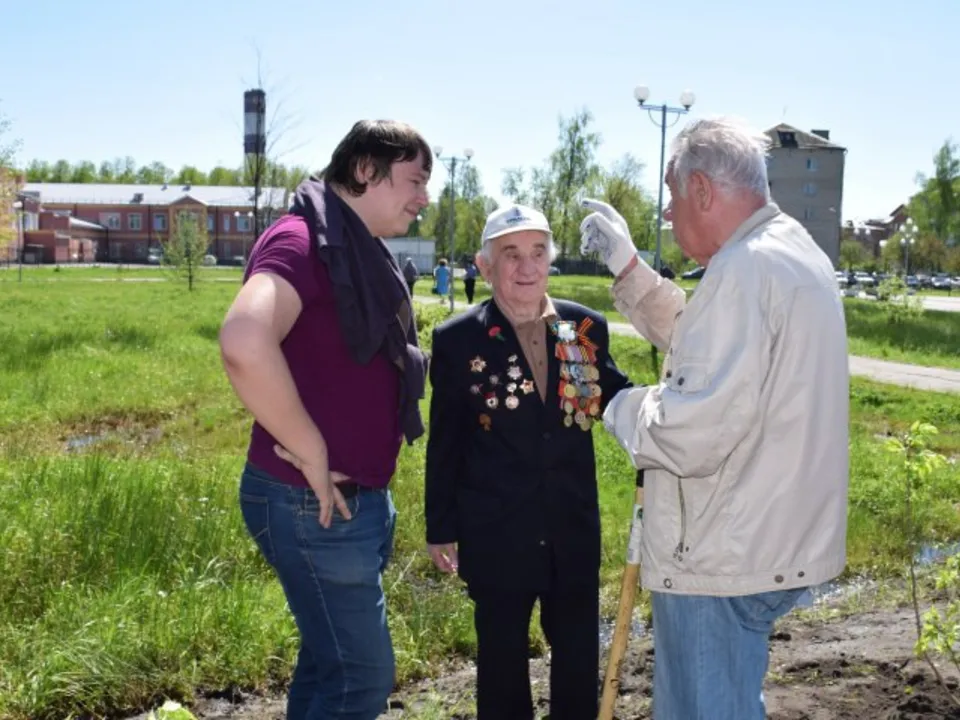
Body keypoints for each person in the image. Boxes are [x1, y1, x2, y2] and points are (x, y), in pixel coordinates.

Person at [579, 117, 850, 720]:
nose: (667, 214)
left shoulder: (743, 270)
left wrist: (615, 400)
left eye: (672, 196)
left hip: (721, 553)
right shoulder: (787, 251)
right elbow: (710, 345)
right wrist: (630, 270)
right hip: (767, 538)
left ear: (701, 189)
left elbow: (690, 433)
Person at [219, 119, 432, 720]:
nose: (424, 197)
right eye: (415, 180)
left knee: (328, 665)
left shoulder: (349, 245)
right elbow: (243, 340)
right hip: (310, 503)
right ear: (366, 170)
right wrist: (311, 447)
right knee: (362, 678)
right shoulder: (300, 242)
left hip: (343, 504)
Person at [425, 203, 632, 719]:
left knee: (578, 662)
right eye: (511, 255)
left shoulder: (582, 327)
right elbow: (445, 441)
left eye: (538, 253)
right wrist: (440, 526)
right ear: (485, 266)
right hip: (497, 533)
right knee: (501, 668)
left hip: (571, 529)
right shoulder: (459, 340)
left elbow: (615, 397)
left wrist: (672, 405)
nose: (527, 267)